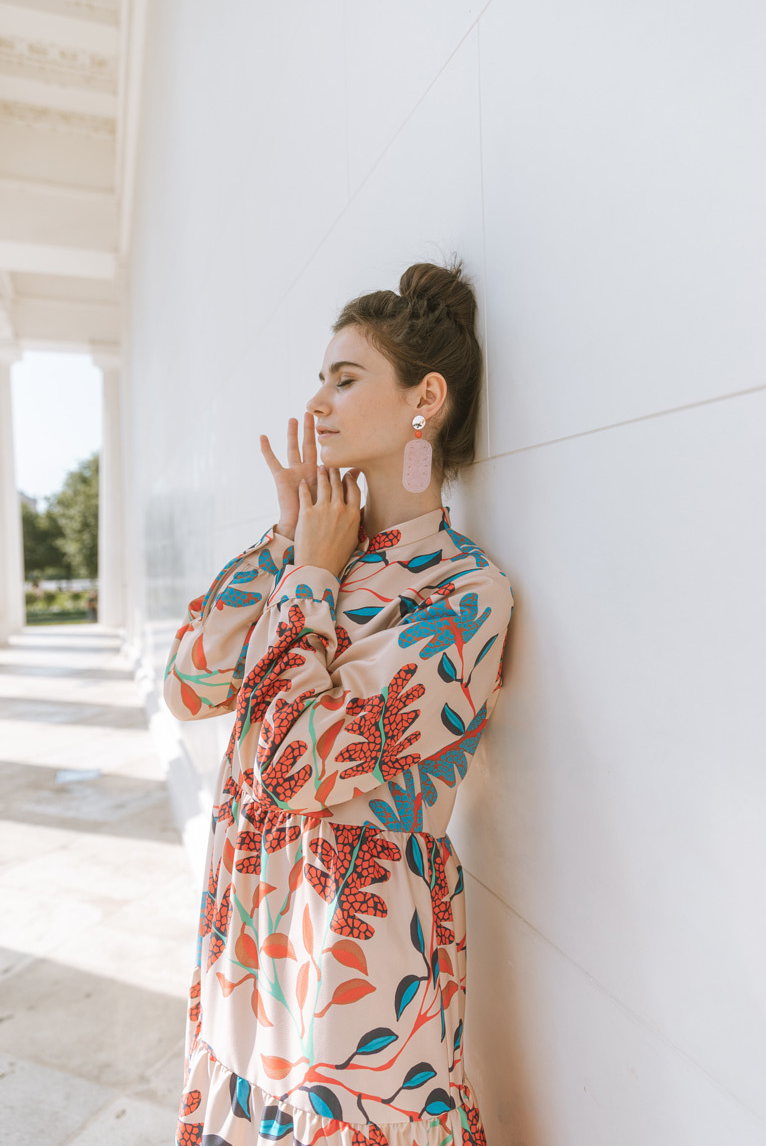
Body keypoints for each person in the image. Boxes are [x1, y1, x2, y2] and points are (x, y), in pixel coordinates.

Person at [163, 258, 513, 1146]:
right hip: (249, 957)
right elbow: (189, 683)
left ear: (423, 399)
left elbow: (291, 764)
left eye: (345, 377)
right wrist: (289, 544)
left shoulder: (465, 595)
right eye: (319, 377)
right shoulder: (312, 558)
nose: (317, 401)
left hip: (352, 985)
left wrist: (312, 575)